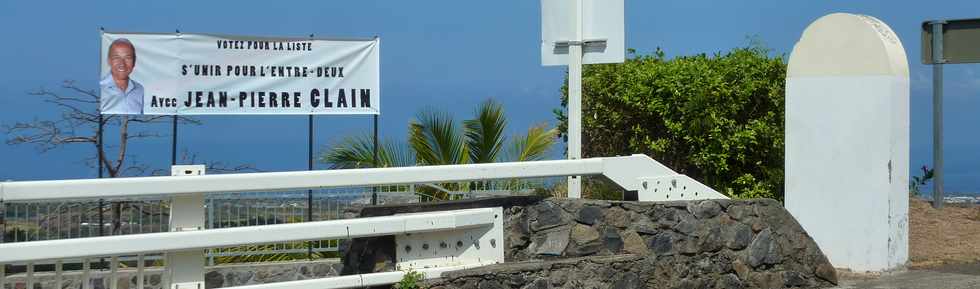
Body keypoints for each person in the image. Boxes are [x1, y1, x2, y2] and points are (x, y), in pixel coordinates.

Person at [100, 38, 144, 114]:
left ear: (134, 61)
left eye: (127, 58)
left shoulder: (140, 89)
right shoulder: (100, 88)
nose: (122, 64)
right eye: (116, 58)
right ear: (109, 61)